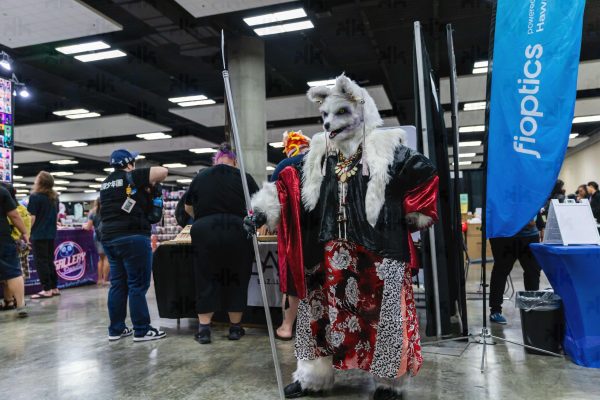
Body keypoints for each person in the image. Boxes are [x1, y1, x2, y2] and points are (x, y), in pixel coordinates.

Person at [249, 75, 439, 400]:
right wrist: (261, 211)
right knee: (318, 316)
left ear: (361, 110)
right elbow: (287, 184)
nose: (329, 124)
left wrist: (412, 215)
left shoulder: (391, 153)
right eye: (324, 116)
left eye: (339, 114)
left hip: (380, 254)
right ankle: (314, 378)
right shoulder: (315, 157)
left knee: (385, 317)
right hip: (327, 255)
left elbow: (426, 175)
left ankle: (388, 383)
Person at [184, 142, 259, 345]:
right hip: (237, 229)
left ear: (215, 161)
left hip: (205, 230)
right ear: (234, 161)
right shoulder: (243, 176)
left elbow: (187, 206)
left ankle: (204, 330)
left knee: (205, 278)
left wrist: (200, 217)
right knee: (237, 277)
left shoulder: (201, 176)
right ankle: (235, 329)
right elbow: (258, 204)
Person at [100, 149, 168, 342]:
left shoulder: (105, 184)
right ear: (129, 163)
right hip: (133, 237)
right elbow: (163, 171)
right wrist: (147, 180)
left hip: (110, 238)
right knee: (137, 285)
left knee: (118, 285)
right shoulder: (130, 176)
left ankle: (116, 329)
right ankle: (142, 329)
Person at [269, 131, 311, 341]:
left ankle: (286, 327)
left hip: (294, 232)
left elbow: (272, 202)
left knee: (293, 280)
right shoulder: (326, 161)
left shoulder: (284, 165)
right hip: (327, 231)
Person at [489, 218, 542, 325]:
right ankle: (495, 310)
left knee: (533, 271)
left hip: (529, 234)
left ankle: (531, 308)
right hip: (504, 235)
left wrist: (540, 225)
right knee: (500, 271)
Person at [28, 171, 60, 299]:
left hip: (38, 234)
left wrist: (26, 232)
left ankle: (46, 289)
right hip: (51, 233)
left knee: (41, 262)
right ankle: (54, 287)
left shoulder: (35, 197)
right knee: (49, 261)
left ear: (40, 182)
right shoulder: (55, 198)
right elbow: (56, 216)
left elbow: (32, 217)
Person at [0, 183, 29, 317]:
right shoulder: (2, 191)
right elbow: (14, 215)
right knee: (13, 272)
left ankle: (8, 301)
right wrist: (24, 232)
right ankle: (21, 305)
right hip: (2, 237)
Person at [84, 198, 109, 285]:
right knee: (107, 258)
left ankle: (99, 279)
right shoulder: (107, 210)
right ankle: (105, 280)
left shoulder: (92, 212)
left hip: (97, 236)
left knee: (101, 258)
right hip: (107, 235)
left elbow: (88, 227)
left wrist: (84, 226)